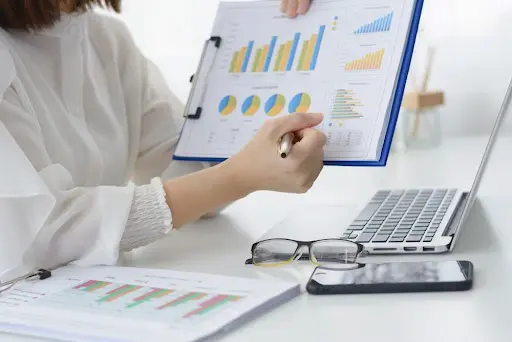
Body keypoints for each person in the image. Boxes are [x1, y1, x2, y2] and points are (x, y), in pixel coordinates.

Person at [0, 0, 316, 279]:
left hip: (92, 293)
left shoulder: (105, 38)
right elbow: (45, 234)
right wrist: (238, 176)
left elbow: (184, 171)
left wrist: (276, 41)